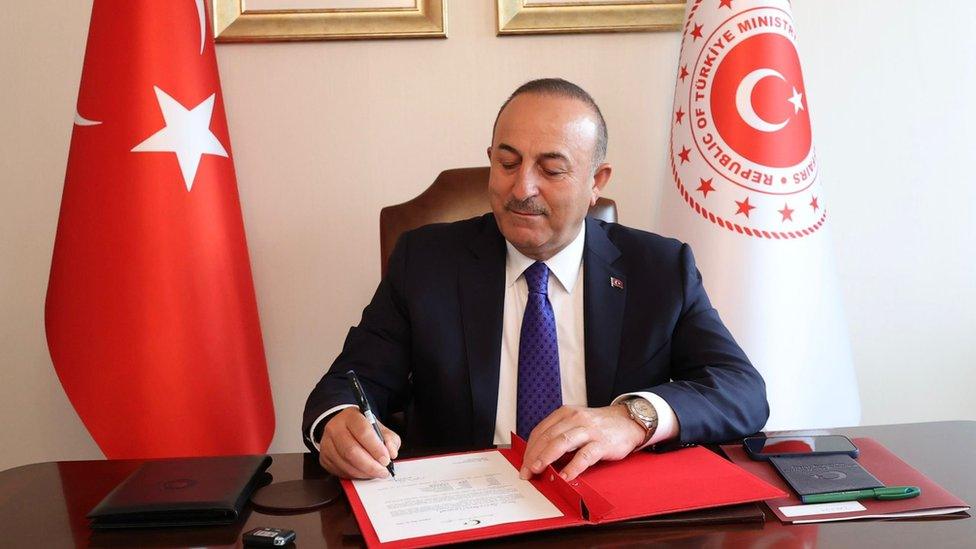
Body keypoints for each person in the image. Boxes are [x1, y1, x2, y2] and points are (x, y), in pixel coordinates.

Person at [303, 78, 768, 481]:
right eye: (507, 163)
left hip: (607, 511)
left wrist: (633, 418)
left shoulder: (660, 268)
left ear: (596, 181)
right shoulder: (426, 261)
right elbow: (349, 381)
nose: (522, 188)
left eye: (551, 170)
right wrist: (339, 424)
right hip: (465, 510)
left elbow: (741, 389)